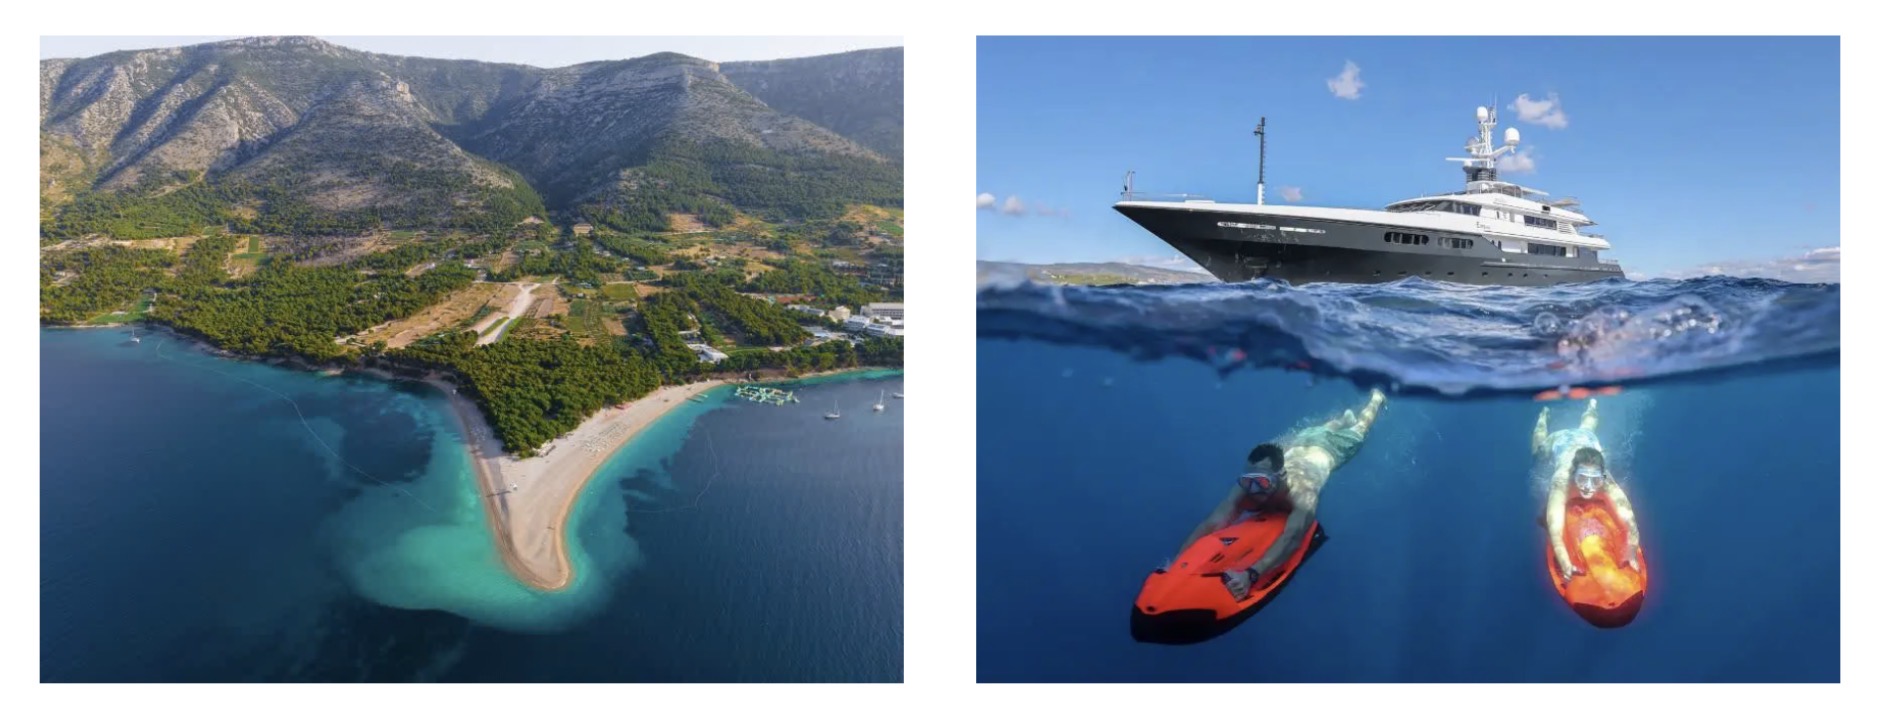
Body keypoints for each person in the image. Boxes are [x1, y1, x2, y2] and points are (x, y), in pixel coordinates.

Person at [1174, 388, 1387, 601]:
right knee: (1317, 431)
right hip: (1304, 441)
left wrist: (1251, 574)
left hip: (1333, 449)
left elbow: (1291, 539)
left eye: (1263, 483)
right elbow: (1213, 522)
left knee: (1361, 428)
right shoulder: (1248, 486)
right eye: (1250, 482)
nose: (1255, 491)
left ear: (1282, 476)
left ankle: (1376, 399)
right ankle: (1339, 421)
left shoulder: (1303, 495)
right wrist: (1178, 564)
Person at [1534, 398, 1642, 583]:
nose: (1588, 487)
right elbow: (1554, 527)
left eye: (1595, 480)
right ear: (1573, 473)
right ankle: (1543, 417)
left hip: (1586, 439)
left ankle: (1592, 406)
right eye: (1582, 479)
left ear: (1602, 477)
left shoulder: (1607, 483)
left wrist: (1631, 551)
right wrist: (1564, 560)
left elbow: (1630, 520)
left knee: (1588, 427)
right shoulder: (1561, 481)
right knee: (1538, 453)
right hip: (1560, 441)